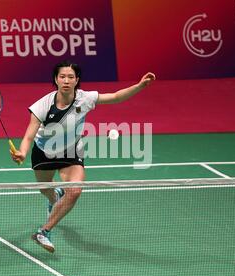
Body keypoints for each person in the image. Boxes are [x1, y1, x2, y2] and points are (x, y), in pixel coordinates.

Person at [11, 60, 155, 253]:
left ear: (77, 80)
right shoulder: (43, 105)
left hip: (72, 150)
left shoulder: (84, 98)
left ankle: (43, 232)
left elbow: (116, 97)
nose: (66, 80)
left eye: (71, 77)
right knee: (45, 189)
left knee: (76, 191)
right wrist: (22, 152)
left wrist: (139, 86)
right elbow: (29, 134)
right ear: (56, 79)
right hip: (44, 150)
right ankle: (55, 198)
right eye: (62, 76)